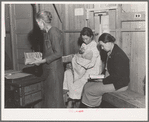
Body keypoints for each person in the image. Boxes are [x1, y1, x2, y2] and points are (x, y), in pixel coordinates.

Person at [80, 33, 130, 108]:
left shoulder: (119, 55)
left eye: (103, 45)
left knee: (89, 90)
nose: (102, 48)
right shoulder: (111, 51)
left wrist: (103, 80)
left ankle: (92, 110)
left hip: (120, 84)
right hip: (113, 80)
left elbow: (118, 76)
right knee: (87, 85)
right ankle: (93, 107)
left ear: (109, 43)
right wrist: (101, 78)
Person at [31, 11, 64, 108]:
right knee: (50, 100)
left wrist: (42, 61)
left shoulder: (53, 32)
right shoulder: (48, 32)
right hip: (50, 70)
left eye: (37, 23)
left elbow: (58, 53)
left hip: (54, 72)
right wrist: (41, 57)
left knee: (55, 101)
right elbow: (51, 51)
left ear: (42, 21)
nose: (38, 25)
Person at [63, 27, 102, 108]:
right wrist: (75, 61)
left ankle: (71, 102)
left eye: (86, 38)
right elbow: (79, 56)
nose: (85, 40)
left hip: (91, 71)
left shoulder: (94, 47)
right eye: (83, 39)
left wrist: (76, 60)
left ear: (91, 36)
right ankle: (71, 98)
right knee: (68, 73)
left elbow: (90, 64)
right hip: (81, 68)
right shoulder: (84, 45)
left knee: (77, 84)